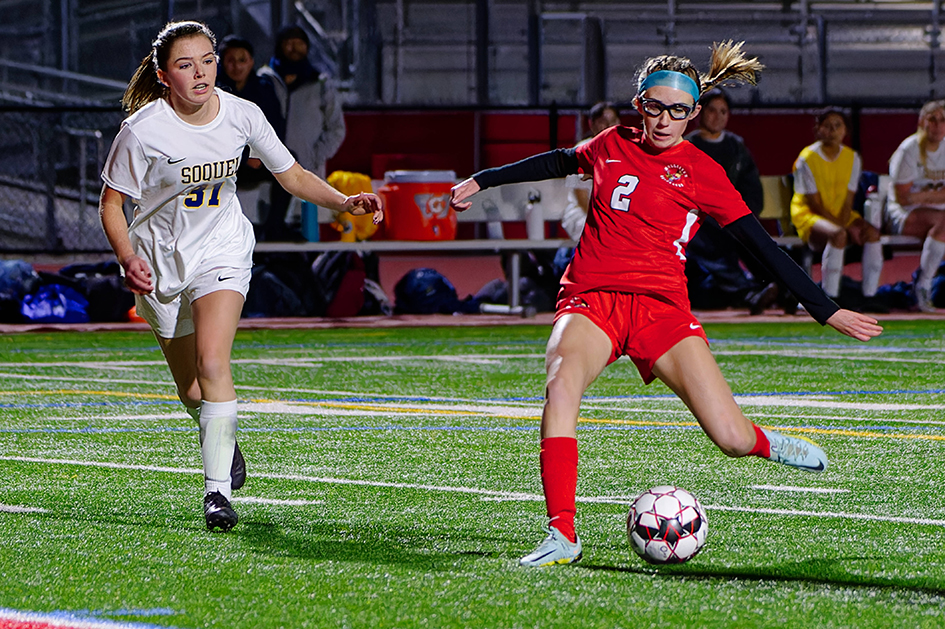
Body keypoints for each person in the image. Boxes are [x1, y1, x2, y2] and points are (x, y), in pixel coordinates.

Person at [449, 41, 882, 567]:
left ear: (693, 113)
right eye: (655, 107)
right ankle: (562, 534)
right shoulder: (611, 143)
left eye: (678, 111)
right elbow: (560, 160)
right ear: (639, 103)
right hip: (592, 298)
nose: (664, 120)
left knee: (730, 438)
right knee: (560, 387)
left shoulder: (703, 171)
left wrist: (825, 308)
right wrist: (483, 180)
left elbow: (763, 249)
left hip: (662, 309)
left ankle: (764, 442)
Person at [98, 21, 382, 532]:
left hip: (222, 248)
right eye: (185, 65)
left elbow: (292, 174)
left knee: (213, 361)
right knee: (192, 390)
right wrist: (127, 258)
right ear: (163, 75)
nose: (201, 73)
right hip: (160, 260)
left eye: (207, 60)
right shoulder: (142, 130)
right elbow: (111, 204)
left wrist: (344, 202)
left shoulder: (242, 113)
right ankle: (222, 439)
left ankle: (217, 493)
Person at [685, 88, 780, 314]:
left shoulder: (736, 146)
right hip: (700, 223)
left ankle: (778, 288)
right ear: (699, 112)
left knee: (751, 237)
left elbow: (751, 188)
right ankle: (748, 292)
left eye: (723, 111)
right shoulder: (688, 147)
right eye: (712, 110)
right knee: (712, 245)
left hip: (731, 218)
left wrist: (742, 215)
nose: (717, 117)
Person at [790, 109, 886, 312]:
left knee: (872, 233)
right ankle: (830, 295)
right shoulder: (807, 159)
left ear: (845, 131)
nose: (832, 131)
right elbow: (814, 204)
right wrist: (843, 228)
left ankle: (870, 295)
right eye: (827, 126)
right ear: (818, 130)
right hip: (809, 215)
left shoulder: (852, 158)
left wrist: (846, 223)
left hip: (841, 214)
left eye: (837, 126)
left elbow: (849, 199)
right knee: (838, 234)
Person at [258, 25, 347, 241]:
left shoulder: (320, 83)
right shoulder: (263, 80)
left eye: (299, 43)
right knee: (269, 239)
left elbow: (336, 128)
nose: (294, 47)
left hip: (308, 176)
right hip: (268, 179)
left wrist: (314, 156)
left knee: (307, 240)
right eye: (288, 42)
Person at [216, 35, 290, 228]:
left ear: (251, 62)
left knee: (288, 163)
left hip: (259, 160)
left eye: (242, 60)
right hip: (224, 162)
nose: (237, 66)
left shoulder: (265, 88)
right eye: (231, 61)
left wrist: (260, 154)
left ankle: (275, 227)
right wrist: (244, 156)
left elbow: (275, 126)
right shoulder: (213, 91)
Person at [886, 99, 945, 312]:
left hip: (936, 213)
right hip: (902, 213)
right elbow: (903, 198)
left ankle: (929, 284)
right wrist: (937, 196)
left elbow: (913, 195)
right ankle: (922, 286)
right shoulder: (909, 149)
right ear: (922, 122)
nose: (938, 125)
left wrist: (922, 195)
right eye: (932, 119)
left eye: (943, 120)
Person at [560, 102, 621, 241]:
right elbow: (580, 195)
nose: (609, 126)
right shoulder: (581, 150)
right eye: (603, 122)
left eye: (613, 121)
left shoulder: (624, 150)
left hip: (614, 214)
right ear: (591, 124)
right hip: (583, 212)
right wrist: (602, 219)